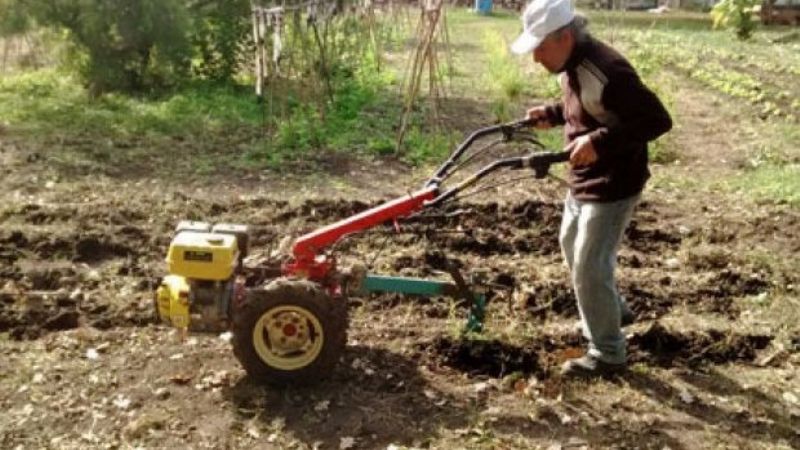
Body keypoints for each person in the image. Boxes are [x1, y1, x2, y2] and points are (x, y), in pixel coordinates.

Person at [510, 0, 672, 377]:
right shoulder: (569, 64)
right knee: (570, 244)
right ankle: (612, 308)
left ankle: (608, 352)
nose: (535, 58)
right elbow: (586, 106)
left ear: (565, 37)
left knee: (588, 265)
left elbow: (656, 120)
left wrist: (600, 142)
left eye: (540, 47)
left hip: (614, 182)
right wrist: (551, 113)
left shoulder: (609, 70)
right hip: (584, 177)